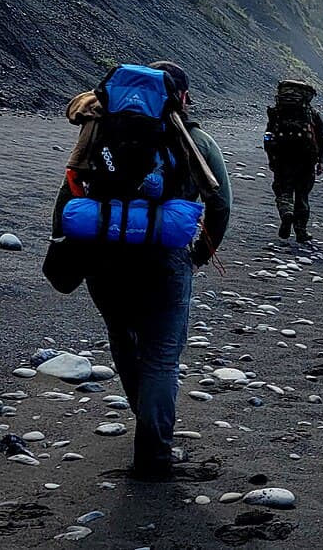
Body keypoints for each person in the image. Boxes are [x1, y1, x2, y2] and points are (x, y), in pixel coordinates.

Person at [50, 60, 232, 481]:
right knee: (162, 360)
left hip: (103, 258)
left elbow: (68, 193)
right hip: (165, 260)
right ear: (181, 97)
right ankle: (154, 454)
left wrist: (66, 248)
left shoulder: (99, 130)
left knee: (122, 341)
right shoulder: (197, 141)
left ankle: (145, 419)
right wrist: (199, 255)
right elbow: (220, 206)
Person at [264, 80, 323, 244]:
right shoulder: (312, 114)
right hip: (306, 160)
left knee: (283, 189)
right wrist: (320, 161)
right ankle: (301, 232)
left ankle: (286, 213)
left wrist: (270, 156)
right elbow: (322, 138)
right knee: (302, 195)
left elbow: (268, 135)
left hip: (282, 158)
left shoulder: (277, 113)